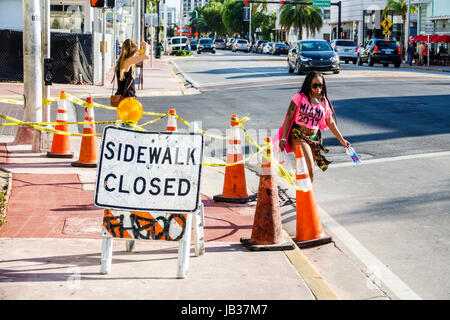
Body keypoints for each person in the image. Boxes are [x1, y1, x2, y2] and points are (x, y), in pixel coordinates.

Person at [277, 71, 351, 183]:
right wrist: (283, 137)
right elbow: (288, 117)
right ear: (308, 85)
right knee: (309, 167)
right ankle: (304, 196)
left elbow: (330, 122)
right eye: (315, 85)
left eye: (320, 85)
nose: (318, 89)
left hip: (315, 139)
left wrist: (342, 140)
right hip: (299, 136)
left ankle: (305, 194)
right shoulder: (299, 97)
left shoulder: (323, 101)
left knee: (308, 170)